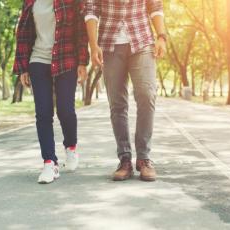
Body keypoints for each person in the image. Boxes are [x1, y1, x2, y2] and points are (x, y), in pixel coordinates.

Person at [85, 0, 166, 181]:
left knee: (147, 94)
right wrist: (93, 45)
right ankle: (125, 159)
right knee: (117, 103)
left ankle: (144, 158)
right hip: (110, 42)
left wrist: (161, 36)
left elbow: (155, 6)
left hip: (142, 39)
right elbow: (91, 10)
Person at [13, 0, 89, 184]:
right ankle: (49, 163)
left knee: (65, 110)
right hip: (38, 60)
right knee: (43, 113)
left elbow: (81, 31)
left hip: (66, 59)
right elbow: (23, 33)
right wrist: (23, 68)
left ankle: (70, 146)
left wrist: (82, 62)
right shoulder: (31, 2)